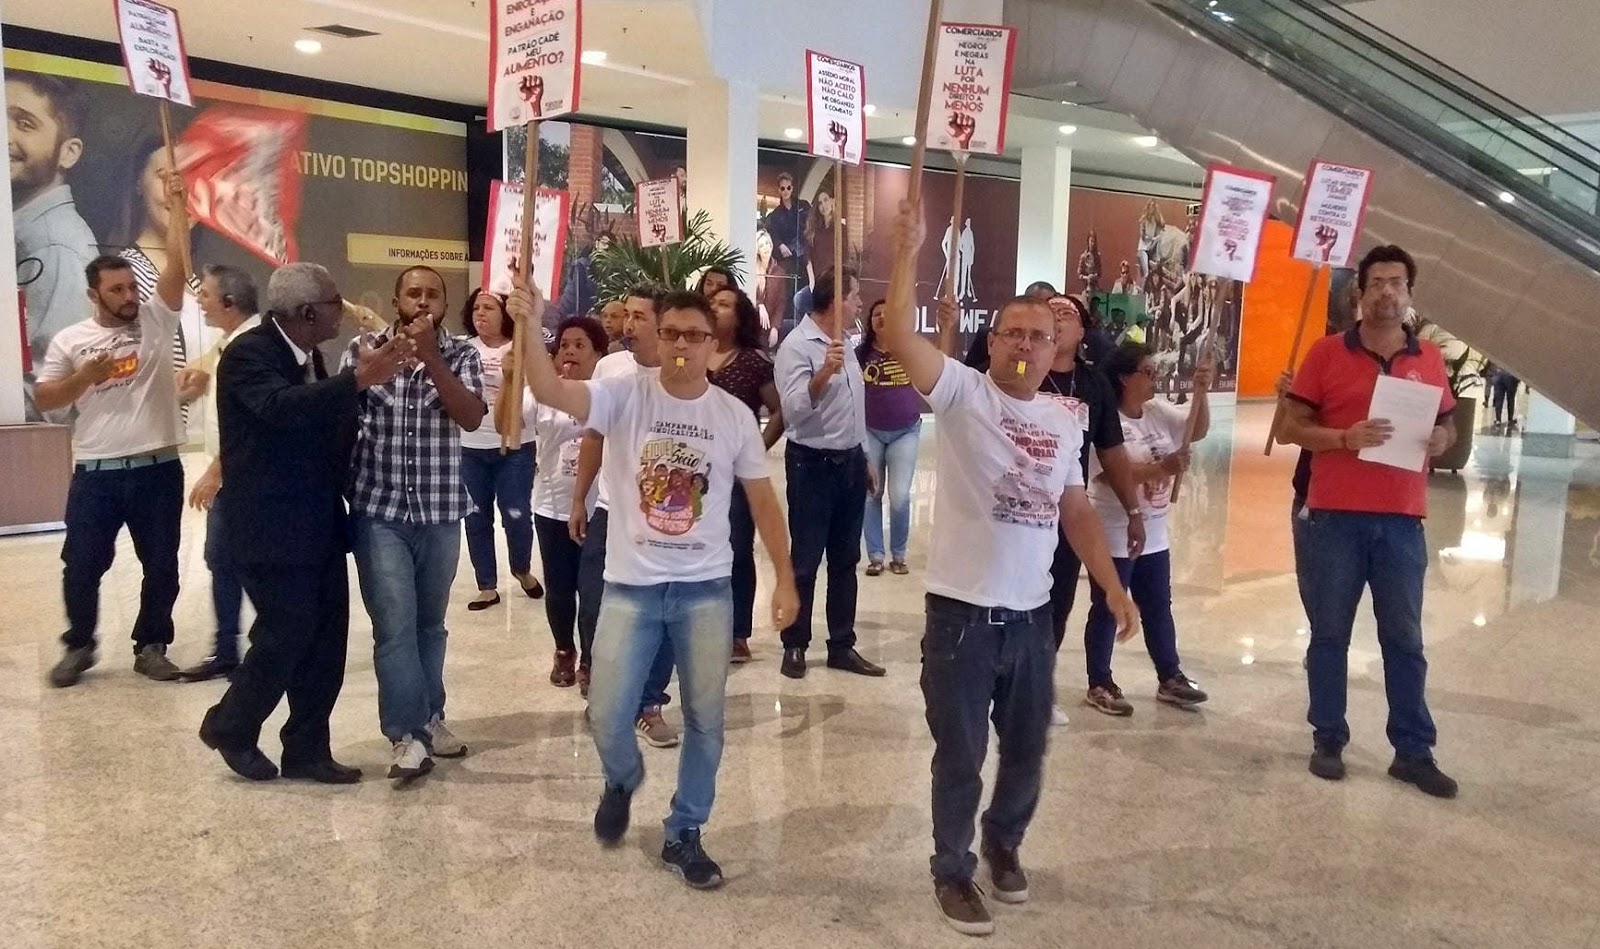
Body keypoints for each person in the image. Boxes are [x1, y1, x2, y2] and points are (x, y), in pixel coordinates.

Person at [874, 199, 1137, 936]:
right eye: (1013, 331)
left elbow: (1076, 510)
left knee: (1027, 750)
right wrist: (907, 252)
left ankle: (1003, 841)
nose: (1025, 343)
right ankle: (952, 870)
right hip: (960, 617)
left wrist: (1111, 584)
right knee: (960, 755)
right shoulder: (962, 393)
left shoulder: (1066, 417)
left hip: (1029, 618)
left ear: (1059, 349)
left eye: (1040, 335)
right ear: (991, 343)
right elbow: (897, 333)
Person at [507, 279, 800, 890]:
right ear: (656, 337)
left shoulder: (734, 416)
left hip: (704, 591)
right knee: (608, 714)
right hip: (631, 588)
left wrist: (785, 580)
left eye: (696, 336)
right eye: (671, 334)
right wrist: (531, 325)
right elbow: (547, 387)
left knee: (705, 717)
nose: (683, 347)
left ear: (712, 343)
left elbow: (764, 502)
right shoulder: (623, 396)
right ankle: (621, 776)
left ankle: (685, 831)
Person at [197, 263, 412, 782]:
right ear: (309, 312)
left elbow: (320, 428)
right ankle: (231, 723)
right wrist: (357, 380)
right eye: (336, 302)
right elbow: (279, 409)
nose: (345, 310)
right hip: (268, 529)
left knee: (326, 640)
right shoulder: (249, 354)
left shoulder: (312, 355)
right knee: (285, 632)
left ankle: (307, 747)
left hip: (318, 523)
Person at [1280, 244, 1460, 799]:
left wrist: (1440, 438)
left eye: (1397, 283)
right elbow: (1291, 427)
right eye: (1377, 282)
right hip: (1334, 518)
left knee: (1404, 639)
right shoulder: (1326, 353)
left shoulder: (1428, 358)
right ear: (1360, 293)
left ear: (1409, 294)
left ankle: (1413, 750)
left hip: (1403, 520)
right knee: (1330, 633)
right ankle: (1328, 737)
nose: (1387, 292)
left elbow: (1449, 427)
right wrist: (1342, 438)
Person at [36, 170, 189, 689]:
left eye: (131, 287)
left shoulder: (155, 321)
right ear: (94, 294)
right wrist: (84, 376)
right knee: (80, 566)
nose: (129, 296)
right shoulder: (69, 340)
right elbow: (45, 397)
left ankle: (152, 645)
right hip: (96, 474)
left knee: (162, 564)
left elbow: (176, 268)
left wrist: (177, 207)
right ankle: (80, 644)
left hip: (157, 468)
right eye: (116, 290)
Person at [343, 265, 487, 783]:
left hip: (441, 509)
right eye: (414, 292)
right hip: (379, 510)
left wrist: (430, 356)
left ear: (446, 306)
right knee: (395, 626)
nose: (423, 301)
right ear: (397, 299)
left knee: (431, 625)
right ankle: (406, 736)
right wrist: (368, 372)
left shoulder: (463, 354)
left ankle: (431, 716)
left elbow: (470, 416)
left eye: (434, 294)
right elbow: (338, 415)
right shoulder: (363, 349)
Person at [572, 286, 682, 749]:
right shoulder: (610, 369)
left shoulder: (685, 377)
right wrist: (580, 498)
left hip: (663, 520)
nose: (629, 325)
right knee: (597, 604)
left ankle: (649, 702)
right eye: (628, 315)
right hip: (610, 511)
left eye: (640, 316)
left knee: (663, 613)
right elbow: (594, 437)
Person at [1082, 342, 1212, 715]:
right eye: (1148, 372)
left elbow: (1195, 430)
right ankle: (1099, 681)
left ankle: (1169, 675)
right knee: (1108, 606)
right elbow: (1108, 472)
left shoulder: (1156, 411)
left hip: (1154, 531)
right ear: (1124, 378)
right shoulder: (1107, 418)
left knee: (1158, 605)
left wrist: (1201, 393)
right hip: (1113, 527)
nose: (1155, 378)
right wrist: (1161, 469)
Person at [1034, 294, 1144, 725]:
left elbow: (1113, 453)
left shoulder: (1092, 385)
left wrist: (1133, 511)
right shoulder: (1020, 373)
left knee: (1057, 601)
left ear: (1082, 332)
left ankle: (1038, 689)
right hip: (1015, 511)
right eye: (1052, 310)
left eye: (1068, 314)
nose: (1059, 317)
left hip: (1066, 512)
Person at [773, 266, 884, 680]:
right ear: (836, 299)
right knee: (805, 561)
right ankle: (795, 645)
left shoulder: (847, 343)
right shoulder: (797, 346)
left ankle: (841, 644)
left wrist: (866, 455)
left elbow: (855, 409)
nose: (859, 303)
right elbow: (794, 410)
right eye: (855, 296)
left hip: (850, 463)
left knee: (845, 560)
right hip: (811, 465)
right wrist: (822, 374)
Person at [176, 265, 262, 682]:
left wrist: (215, 470)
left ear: (229, 302)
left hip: (246, 478)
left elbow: (250, 423)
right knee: (222, 559)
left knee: (251, 563)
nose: (200, 301)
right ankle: (227, 650)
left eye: (206, 295)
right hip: (231, 479)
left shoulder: (252, 348)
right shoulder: (228, 344)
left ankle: (269, 649)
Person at [707, 286, 786, 662]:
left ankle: (739, 631)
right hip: (691, 471)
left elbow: (779, 412)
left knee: (738, 548)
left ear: (739, 316)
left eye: (724, 304)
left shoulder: (754, 361)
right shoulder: (689, 355)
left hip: (736, 476)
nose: (715, 308)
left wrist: (754, 451)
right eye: (712, 303)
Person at [9, 73, 97, 399]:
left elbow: (50, 395)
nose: (6, 133)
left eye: (25, 123)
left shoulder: (56, 245)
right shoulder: (22, 230)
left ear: (68, 153)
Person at [532, 316, 607, 686]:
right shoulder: (545, 394)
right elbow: (505, 426)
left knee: (593, 589)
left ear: (598, 354)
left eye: (580, 345)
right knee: (560, 589)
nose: (570, 352)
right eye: (564, 345)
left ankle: (592, 658)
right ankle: (565, 650)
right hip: (550, 505)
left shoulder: (609, 395)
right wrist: (515, 379)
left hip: (599, 508)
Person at [459, 287, 545, 611]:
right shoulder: (462, 349)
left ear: (506, 314)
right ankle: (487, 585)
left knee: (517, 514)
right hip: (471, 447)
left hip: (515, 447)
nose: (481, 314)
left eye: (489, 308)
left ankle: (521, 568)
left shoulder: (520, 347)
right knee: (476, 517)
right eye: (477, 308)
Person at [857, 299, 921, 577]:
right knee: (872, 494)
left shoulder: (909, 350)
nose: (881, 317)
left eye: (887, 313)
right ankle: (875, 556)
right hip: (870, 431)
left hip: (905, 431)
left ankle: (899, 554)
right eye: (876, 314)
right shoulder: (859, 355)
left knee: (900, 496)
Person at [962, 280, 1056, 373]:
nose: (1025, 346)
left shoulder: (1060, 340)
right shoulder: (989, 336)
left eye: (1039, 337)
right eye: (1014, 334)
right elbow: (969, 374)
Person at [762, 172, 809, 314]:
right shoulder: (776, 215)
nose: (786, 191)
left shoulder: (804, 206)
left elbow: (811, 226)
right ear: (779, 190)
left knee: (806, 290)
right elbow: (773, 234)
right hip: (788, 261)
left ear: (792, 188)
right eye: (782, 188)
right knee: (788, 292)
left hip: (806, 257)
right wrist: (781, 245)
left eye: (788, 187)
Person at [1488, 361, 1520, 430]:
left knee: (1498, 399)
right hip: (1510, 375)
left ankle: (1498, 419)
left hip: (1498, 375)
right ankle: (1510, 419)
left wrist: (1493, 375)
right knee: (1510, 399)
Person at [1076, 230, 1102, 295]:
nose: (1092, 244)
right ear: (1088, 241)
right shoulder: (1083, 256)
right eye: (1091, 241)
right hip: (1086, 288)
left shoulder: (1097, 256)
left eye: (1094, 241)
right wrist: (1087, 278)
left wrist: (1094, 276)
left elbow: (1100, 273)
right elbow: (1079, 274)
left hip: (1095, 288)